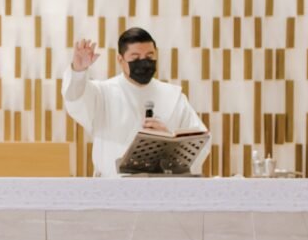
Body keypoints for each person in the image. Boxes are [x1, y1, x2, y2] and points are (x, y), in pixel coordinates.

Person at [62, 27, 210, 177]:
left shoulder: (174, 97)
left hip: (161, 186)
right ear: (120, 60)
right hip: (112, 185)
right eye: (135, 57)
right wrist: (78, 71)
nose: (144, 62)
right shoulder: (102, 93)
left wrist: (169, 140)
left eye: (149, 56)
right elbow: (75, 100)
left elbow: (200, 142)